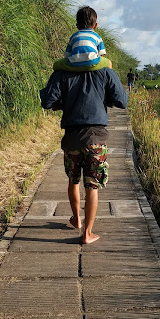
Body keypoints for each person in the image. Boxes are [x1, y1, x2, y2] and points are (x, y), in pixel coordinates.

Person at [40, 21, 128, 245]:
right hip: (96, 138)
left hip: (71, 137)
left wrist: (64, 103)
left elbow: (47, 101)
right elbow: (122, 101)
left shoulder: (61, 73)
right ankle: (87, 233)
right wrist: (103, 98)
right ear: (95, 26)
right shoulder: (105, 72)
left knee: (73, 180)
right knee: (93, 185)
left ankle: (76, 219)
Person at [53, 6, 112, 72]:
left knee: (56, 65)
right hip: (91, 64)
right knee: (109, 63)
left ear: (77, 26)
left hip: (74, 65)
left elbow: (67, 54)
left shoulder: (74, 36)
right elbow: (101, 54)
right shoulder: (97, 36)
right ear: (95, 25)